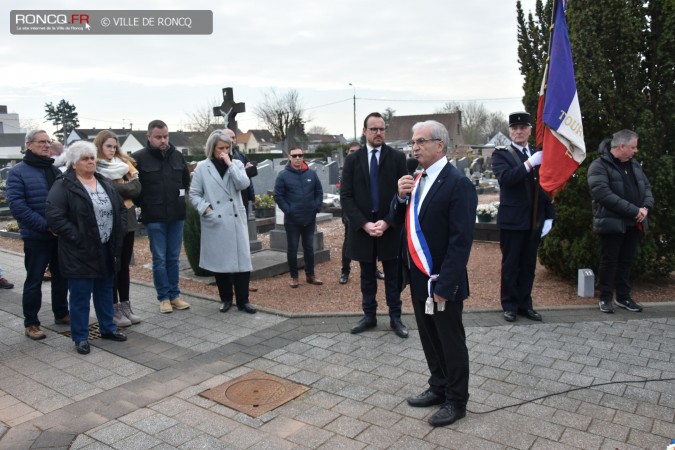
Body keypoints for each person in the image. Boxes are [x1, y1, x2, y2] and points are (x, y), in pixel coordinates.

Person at [394, 120, 477, 427]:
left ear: (439, 145)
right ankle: (438, 386)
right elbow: (399, 220)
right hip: (418, 278)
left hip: (441, 281)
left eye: (420, 141)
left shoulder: (458, 184)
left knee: (450, 341)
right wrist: (400, 198)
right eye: (413, 142)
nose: (413, 147)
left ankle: (456, 401)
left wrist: (447, 282)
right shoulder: (417, 180)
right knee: (430, 338)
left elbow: (461, 240)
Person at [46, 141, 128, 355]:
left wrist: (118, 233)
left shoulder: (104, 182)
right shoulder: (63, 185)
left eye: (92, 157)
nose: (90, 161)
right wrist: (77, 236)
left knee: (104, 291)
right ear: (74, 164)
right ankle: (80, 336)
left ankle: (108, 328)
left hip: (106, 247)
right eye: (85, 158)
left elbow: (120, 208)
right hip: (79, 251)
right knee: (80, 296)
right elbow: (54, 216)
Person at [340, 112, 408, 338]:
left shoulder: (397, 158)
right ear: (364, 131)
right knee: (367, 275)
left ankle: (395, 318)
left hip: (389, 227)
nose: (379, 133)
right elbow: (346, 197)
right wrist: (364, 224)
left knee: (392, 276)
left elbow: (404, 195)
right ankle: (369, 315)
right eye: (374, 129)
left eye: (382, 129)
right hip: (363, 228)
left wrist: (388, 222)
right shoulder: (352, 160)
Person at [492, 111, 554, 323]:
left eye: (523, 128)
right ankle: (509, 305)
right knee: (511, 265)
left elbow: (545, 187)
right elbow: (507, 179)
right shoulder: (501, 154)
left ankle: (525, 304)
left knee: (528, 265)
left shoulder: (536, 152)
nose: (519, 132)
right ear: (509, 131)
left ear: (529, 130)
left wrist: (549, 216)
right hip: (512, 220)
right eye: (515, 128)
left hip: (534, 219)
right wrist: (529, 164)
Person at [6, 130, 69, 340]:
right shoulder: (18, 172)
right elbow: (17, 207)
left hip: (58, 235)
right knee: (34, 280)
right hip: (36, 236)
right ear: (28, 144)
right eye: (41, 142)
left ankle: (61, 313)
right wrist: (46, 226)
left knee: (62, 276)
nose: (46, 145)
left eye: (48, 142)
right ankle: (31, 323)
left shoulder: (54, 170)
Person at [189, 130, 257, 314]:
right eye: (221, 148)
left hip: (235, 217)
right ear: (212, 148)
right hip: (216, 219)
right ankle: (226, 298)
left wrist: (230, 164)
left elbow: (243, 184)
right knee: (221, 263)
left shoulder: (236, 164)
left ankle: (243, 300)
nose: (224, 151)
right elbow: (194, 193)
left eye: (228, 147)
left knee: (242, 262)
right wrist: (206, 209)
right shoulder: (202, 168)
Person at [587, 130, 654, 313]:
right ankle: (605, 298)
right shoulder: (599, 166)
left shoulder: (634, 165)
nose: (636, 151)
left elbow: (646, 187)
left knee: (626, 261)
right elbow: (604, 195)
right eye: (633, 147)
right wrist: (635, 210)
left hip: (634, 223)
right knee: (610, 261)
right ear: (622, 146)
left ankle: (623, 297)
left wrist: (646, 208)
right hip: (612, 224)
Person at [133, 120, 191, 314]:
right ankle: (163, 297)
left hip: (176, 214)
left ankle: (175, 295)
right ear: (149, 137)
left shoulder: (177, 156)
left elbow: (185, 182)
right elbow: (134, 188)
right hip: (154, 216)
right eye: (158, 137)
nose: (163, 140)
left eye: (166, 136)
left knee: (173, 258)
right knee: (159, 258)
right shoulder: (138, 159)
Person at [95, 130, 142, 327]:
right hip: (109, 222)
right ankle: (113, 308)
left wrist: (115, 189)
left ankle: (126, 306)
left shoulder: (124, 164)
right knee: (112, 267)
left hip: (128, 220)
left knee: (124, 266)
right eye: (108, 146)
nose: (112, 150)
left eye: (115, 146)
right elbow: (102, 189)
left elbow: (137, 189)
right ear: (99, 146)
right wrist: (121, 189)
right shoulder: (95, 165)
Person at [274, 147, 324, 288]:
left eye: (300, 155)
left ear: (303, 157)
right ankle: (294, 277)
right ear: (289, 157)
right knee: (293, 248)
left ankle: (310, 275)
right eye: (294, 155)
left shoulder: (312, 174)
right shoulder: (283, 175)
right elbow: (278, 195)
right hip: (292, 220)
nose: (297, 158)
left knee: (309, 248)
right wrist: (289, 210)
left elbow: (319, 192)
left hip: (309, 218)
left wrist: (316, 207)